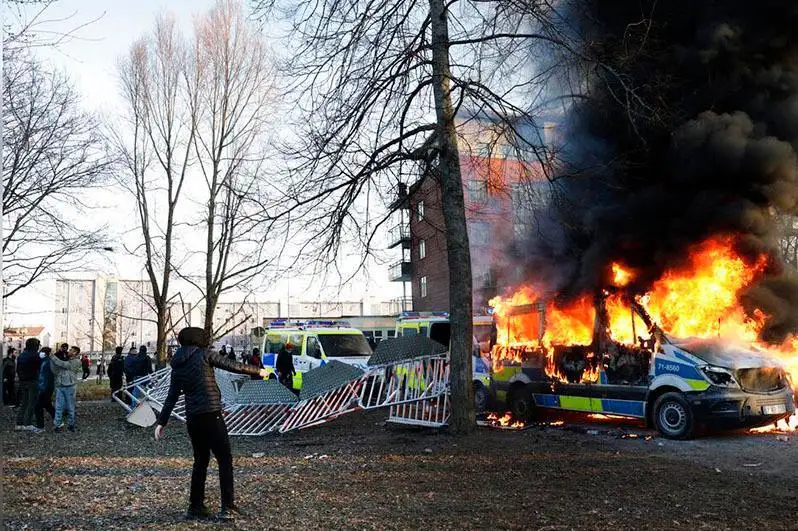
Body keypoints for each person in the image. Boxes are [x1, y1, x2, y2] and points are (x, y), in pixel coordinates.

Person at [154, 327, 269, 521]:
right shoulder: (204, 355)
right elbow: (234, 366)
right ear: (198, 340)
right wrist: (259, 371)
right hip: (211, 414)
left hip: (193, 418)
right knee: (225, 460)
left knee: (200, 461)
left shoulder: (177, 364)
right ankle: (227, 507)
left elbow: (172, 395)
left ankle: (195, 507)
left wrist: (161, 422)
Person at [15, 338, 42, 432]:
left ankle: (19, 423)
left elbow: (17, 369)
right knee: (32, 402)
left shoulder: (21, 355)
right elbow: (39, 367)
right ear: (35, 346)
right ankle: (28, 423)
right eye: (38, 345)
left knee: (24, 402)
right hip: (32, 381)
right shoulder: (34, 355)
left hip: (23, 381)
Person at [50, 345, 80, 432]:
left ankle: (71, 424)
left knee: (70, 407)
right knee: (58, 407)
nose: (68, 351)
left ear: (75, 353)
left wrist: (52, 356)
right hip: (60, 386)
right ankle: (57, 425)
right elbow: (56, 369)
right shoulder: (67, 360)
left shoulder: (76, 362)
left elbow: (62, 364)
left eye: (71, 350)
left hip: (70, 387)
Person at [35, 347, 55, 430]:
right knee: (48, 405)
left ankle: (40, 426)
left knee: (38, 407)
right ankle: (58, 421)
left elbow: (44, 377)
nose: (40, 353)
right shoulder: (46, 361)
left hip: (45, 387)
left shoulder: (46, 362)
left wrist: (41, 389)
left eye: (42, 352)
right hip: (48, 387)